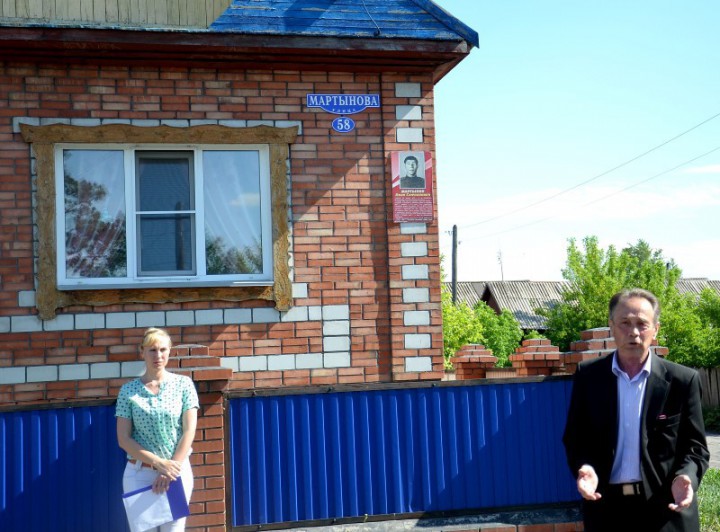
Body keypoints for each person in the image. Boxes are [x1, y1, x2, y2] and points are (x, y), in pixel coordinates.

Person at [563, 288, 709, 531]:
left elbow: (696, 447)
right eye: (625, 323)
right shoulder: (589, 377)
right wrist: (585, 467)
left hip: (667, 510)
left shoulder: (682, 381)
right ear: (612, 326)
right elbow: (576, 438)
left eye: (642, 324)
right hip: (606, 509)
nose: (633, 332)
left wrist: (686, 476)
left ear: (656, 329)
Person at [116, 327, 199, 531]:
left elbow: (189, 431)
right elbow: (124, 439)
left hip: (176, 473)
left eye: (163, 349)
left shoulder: (184, 385)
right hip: (139, 475)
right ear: (142, 352)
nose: (158, 355)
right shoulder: (128, 391)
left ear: (170, 351)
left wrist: (169, 470)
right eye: (152, 350)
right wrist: (159, 464)